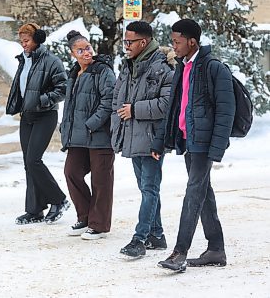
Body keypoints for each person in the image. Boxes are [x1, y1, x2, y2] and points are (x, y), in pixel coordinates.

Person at [153, 19, 235, 272]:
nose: (173, 46)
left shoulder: (214, 68)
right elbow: (175, 107)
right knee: (203, 192)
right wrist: (161, 139)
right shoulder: (183, 66)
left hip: (204, 143)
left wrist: (217, 148)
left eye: (177, 42)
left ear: (192, 41)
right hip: (189, 140)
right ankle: (216, 249)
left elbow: (226, 110)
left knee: (193, 192)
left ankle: (180, 252)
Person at [111, 21, 173, 257]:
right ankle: (157, 235)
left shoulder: (162, 67)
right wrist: (117, 127)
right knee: (146, 188)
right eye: (125, 41)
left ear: (143, 42)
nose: (126, 46)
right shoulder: (129, 66)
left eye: (130, 42)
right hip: (132, 135)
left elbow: (167, 104)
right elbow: (117, 99)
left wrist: (135, 110)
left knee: (149, 188)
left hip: (152, 138)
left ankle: (140, 238)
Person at [5, 22, 69, 225]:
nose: (23, 44)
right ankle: (34, 210)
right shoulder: (23, 60)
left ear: (37, 39)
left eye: (27, 41)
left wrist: (42, 100)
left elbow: (63, 88)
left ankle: (59, 200)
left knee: (34, 160)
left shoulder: (51, 61)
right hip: (27, 116)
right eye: (21, 41)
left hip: (45, 115)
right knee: (28, 163)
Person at [60, 30, 116, 240]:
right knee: (71, 172)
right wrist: (66, 127)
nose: (86, 52)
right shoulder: (74, 73)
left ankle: (99, 225)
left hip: (99, 135)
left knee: (101, 181)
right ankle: (85, 217)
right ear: (73, 53)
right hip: (78, 137)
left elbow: (109, 100)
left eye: (88, 48)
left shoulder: (103, 71)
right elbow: (70, 106)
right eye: (80, 50)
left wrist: (91, 123)